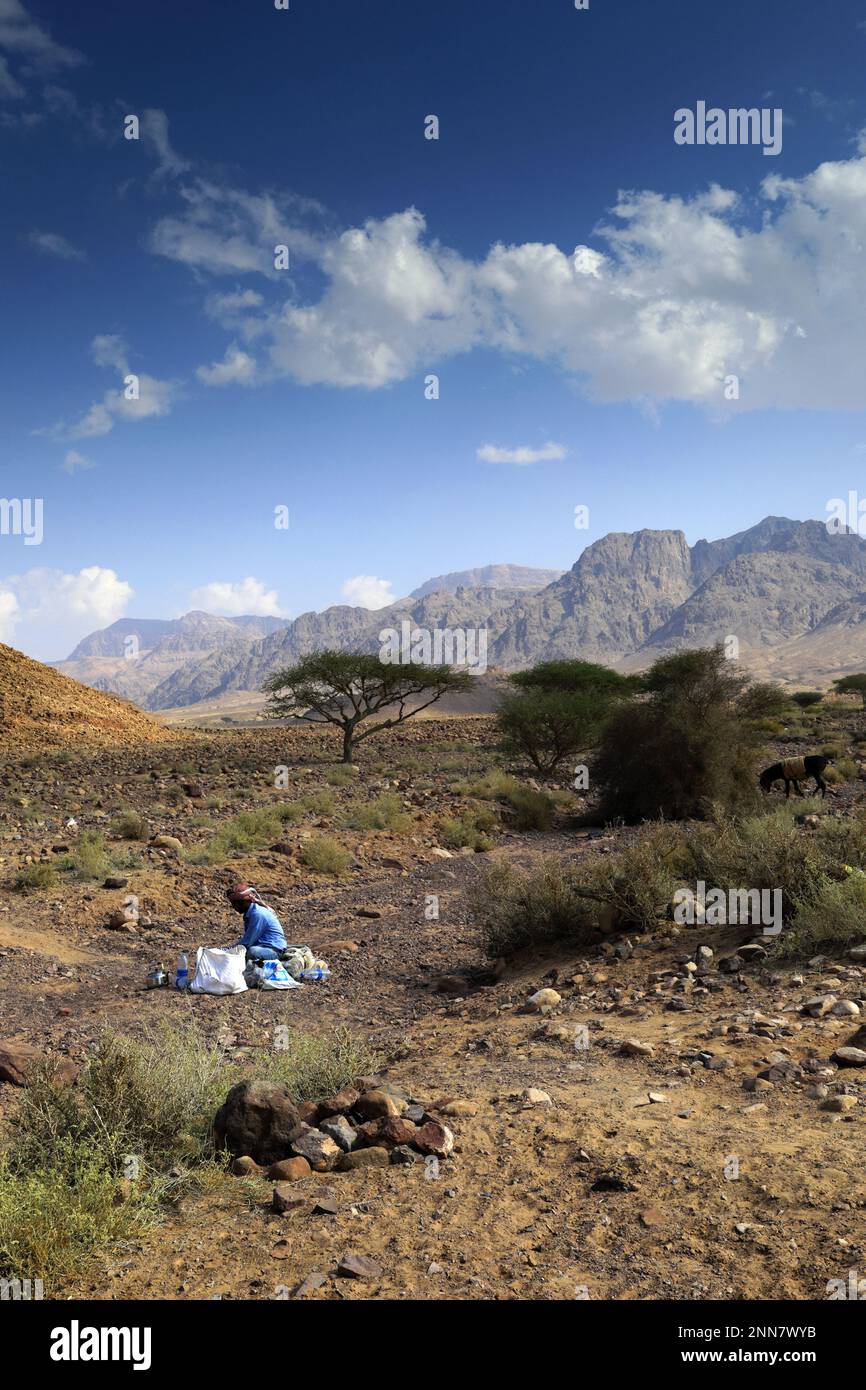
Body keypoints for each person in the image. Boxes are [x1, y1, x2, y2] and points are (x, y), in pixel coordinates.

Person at [226, 883, 288, 961]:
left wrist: (228, 951)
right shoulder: (251, 913)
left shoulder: (257, 914)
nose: (234, 906)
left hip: (274, 950)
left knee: (251, 952)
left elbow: (247, 942)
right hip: (264, 946)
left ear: (245, 901)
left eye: (236, 903)